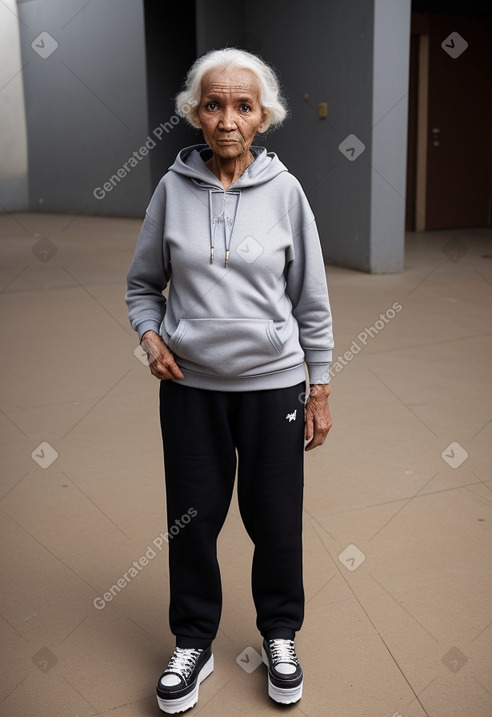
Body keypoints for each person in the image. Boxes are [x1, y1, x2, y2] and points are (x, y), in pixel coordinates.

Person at [125, 47, 334, 714]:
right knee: (191, 522)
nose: (227, 118)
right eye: (213, 103)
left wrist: (319, 385)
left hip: (273, 387)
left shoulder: (287, 193)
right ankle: (193, 640)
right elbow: (140, 286)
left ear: (263, 117)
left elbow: (313, 301)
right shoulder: (170, 190)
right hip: (190, 390)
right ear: (194, 112)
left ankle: (279, 634)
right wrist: (151, 337)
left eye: (243, 106)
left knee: (275, 521)